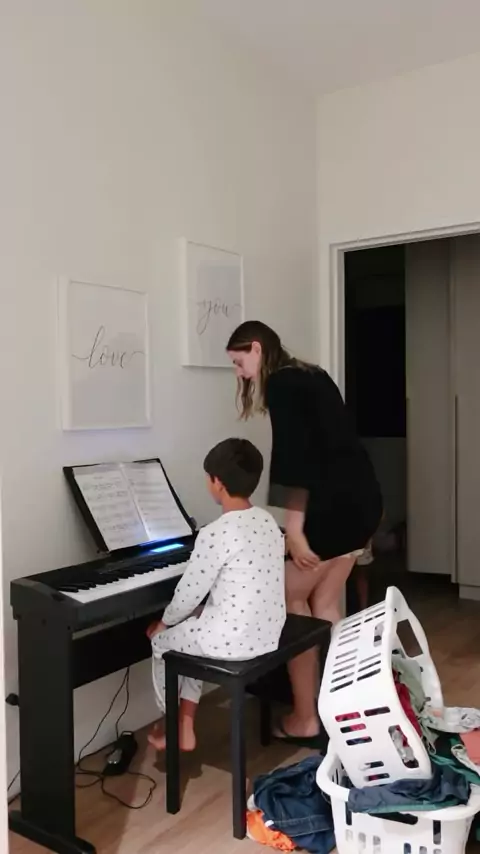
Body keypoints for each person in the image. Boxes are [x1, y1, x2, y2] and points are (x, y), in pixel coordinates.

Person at [227, 321, 382, 745]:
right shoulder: (312, 373)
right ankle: (350, 711)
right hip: (362, 502)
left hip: (333, 509)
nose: (240, 373)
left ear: (256, 348)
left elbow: (295, 460)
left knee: (289, 598)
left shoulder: (282, 382)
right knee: (325, 602)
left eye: (239, 362)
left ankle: (305, 719)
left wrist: (293, 530)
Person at [147, 437, 286, 751]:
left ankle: (171, 723)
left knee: (163, 642)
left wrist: (164, 624)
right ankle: (186, 726)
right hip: (267, 633)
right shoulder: (267, 521)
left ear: (218, 483)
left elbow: (188, 593)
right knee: (194, 630)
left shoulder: (215, 532)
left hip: (232, 640)